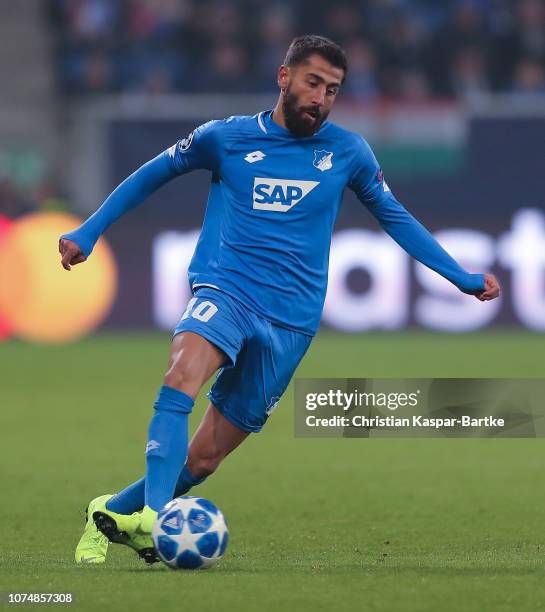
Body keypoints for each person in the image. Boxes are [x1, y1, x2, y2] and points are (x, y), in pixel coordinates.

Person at [59, 35, 500, 565]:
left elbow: (395, 217)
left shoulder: (348, 152)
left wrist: (458, 275)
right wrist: (89, 231)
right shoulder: (224, 138)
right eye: (313, 83)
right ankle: (157, 517)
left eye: (333, 90)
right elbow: (149, 175)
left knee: (204, 458)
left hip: (291, 321)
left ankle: (109, 512)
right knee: (181, 375)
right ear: (284, 77)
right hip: (226, 289)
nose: (321, 98)